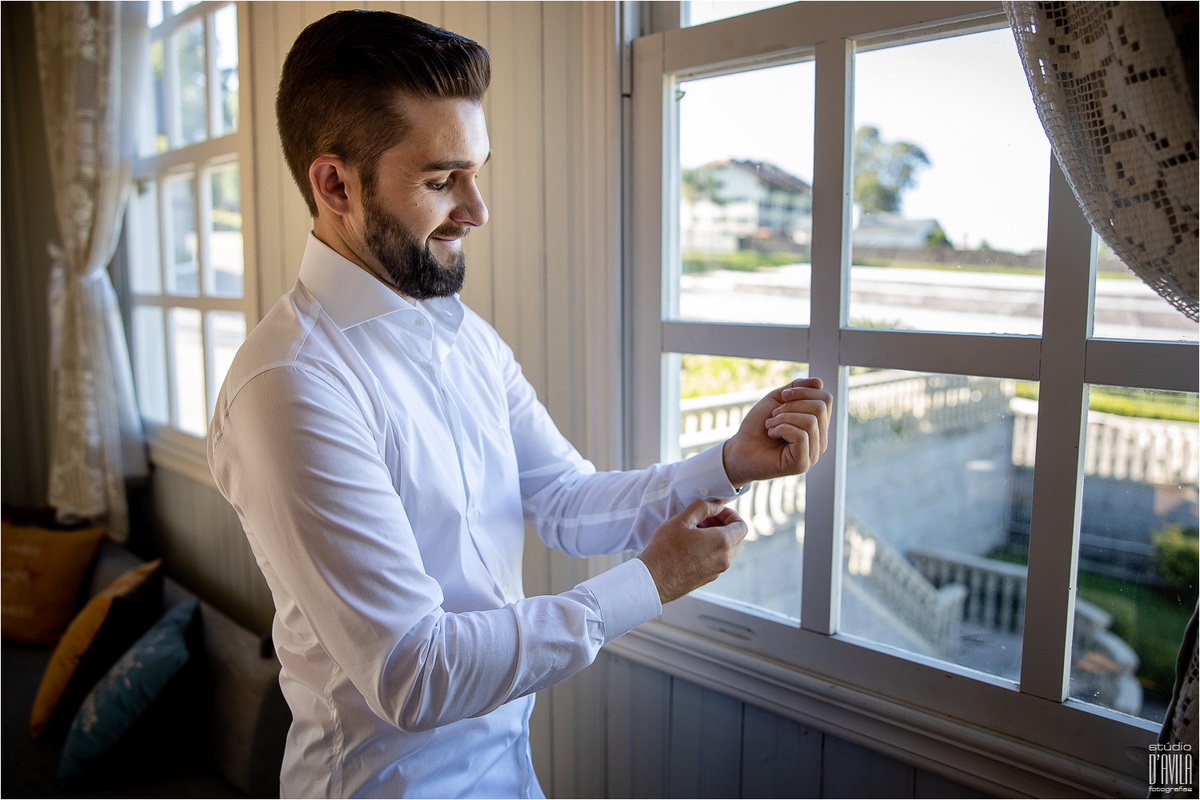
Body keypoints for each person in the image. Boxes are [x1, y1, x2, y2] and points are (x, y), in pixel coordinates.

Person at [207, 10, 832, 799]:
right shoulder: (290, 386)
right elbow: (415, 674)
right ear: (335, 183)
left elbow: (563, 499)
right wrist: (649, 582)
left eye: (477, 171)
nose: (477, 209)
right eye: (441, 180)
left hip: (508, 776)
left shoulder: (463, 337)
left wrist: (729, 463)